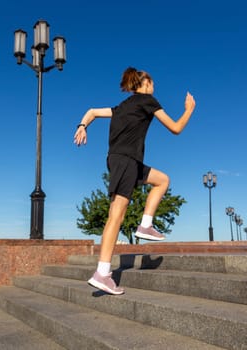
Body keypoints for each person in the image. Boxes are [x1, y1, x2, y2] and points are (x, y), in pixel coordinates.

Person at [73, 67, 196, 295]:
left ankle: (145, 224)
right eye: (153, 82)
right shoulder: (147, 100)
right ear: (145, 83)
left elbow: (91, 112)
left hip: (122, 161)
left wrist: (82, 126)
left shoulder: (121, 107)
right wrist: (189, 110)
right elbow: (176, 128)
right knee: (116, 216)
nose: (154, 86)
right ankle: (102, 273)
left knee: (162, 180)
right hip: (126, 161)